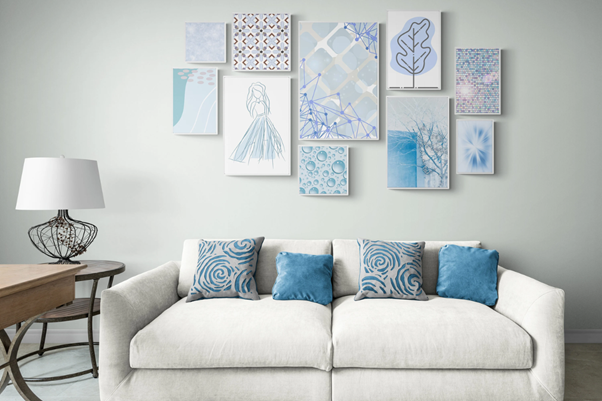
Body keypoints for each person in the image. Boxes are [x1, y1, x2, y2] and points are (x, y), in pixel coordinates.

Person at [230, 82, 284, 164]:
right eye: (255, 92)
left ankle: (267, 156)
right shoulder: (253, 104)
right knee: (253, 137)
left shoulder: (264, 102)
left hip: (265, 120)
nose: (257, 94)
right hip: (258, 121)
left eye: (258, 92)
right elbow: (254, 112)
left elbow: (266, 112)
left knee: (267, 138)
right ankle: (254, 156)